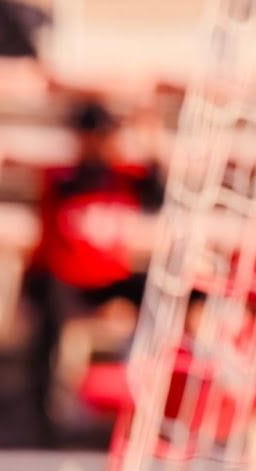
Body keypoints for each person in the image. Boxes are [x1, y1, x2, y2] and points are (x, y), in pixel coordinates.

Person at [25, 100, 164, 442]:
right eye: (94, 136)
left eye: (104, 135)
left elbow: (159, 195)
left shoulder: (125, 176)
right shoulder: (63, 178)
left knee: (162, 288)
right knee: (49, 308)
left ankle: (157, 387)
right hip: (68, 280)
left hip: (110, 278)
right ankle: (47, 411)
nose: (100, 143)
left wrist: (150, 142)